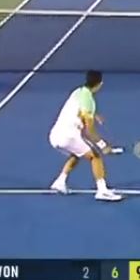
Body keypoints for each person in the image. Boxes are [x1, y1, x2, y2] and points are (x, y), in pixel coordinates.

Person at [48, 71, 122, 202]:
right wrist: (103, 146)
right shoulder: (89, 101)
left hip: (55, 135)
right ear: (100, 84)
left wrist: (94, 115)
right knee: (95, 156)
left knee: (77, 153)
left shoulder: (78, 92)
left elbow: (83, 109)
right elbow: (89, 131)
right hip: (68, 137)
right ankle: (102, 191)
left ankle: (60, 182)